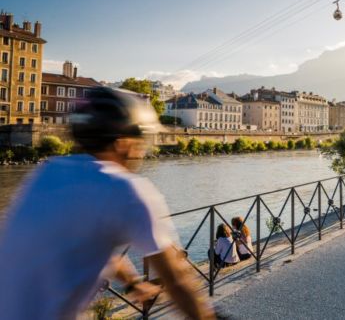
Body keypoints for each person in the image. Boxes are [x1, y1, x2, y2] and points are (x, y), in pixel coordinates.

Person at [0, 87, 214, 320]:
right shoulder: (124, 187)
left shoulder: (47, 172)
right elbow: (176, 282)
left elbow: (86, 239)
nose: (142, 153)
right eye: (141, 142)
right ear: (123, 143)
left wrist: (132, 282)